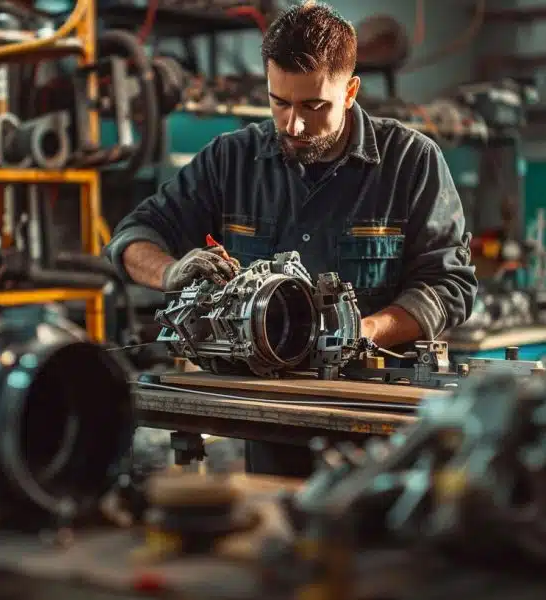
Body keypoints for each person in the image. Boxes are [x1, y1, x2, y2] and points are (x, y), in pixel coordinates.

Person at [105, 1, 477, 478]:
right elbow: (133, 237)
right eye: (279, 102)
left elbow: (449, 286)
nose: (294, 125)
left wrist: (361, 333)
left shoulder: (411, 162)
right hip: (271, 420)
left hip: (380, 431)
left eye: (313, 106)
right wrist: (170, 272)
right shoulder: (231, 160)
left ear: (350, 91)